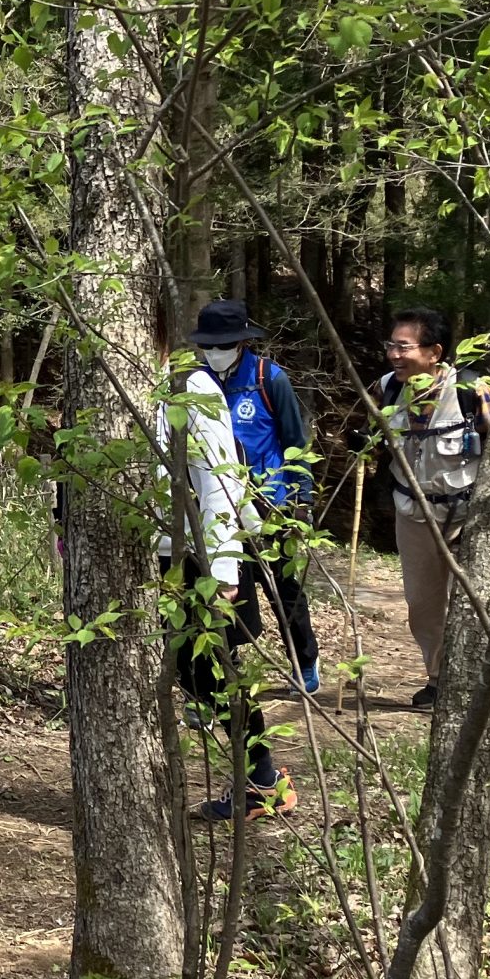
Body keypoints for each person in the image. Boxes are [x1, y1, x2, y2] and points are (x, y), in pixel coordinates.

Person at [162, 323, 295, 821]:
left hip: (200, 556)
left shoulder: (190, 387)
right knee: (191, 672)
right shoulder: (114, 384)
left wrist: (222, 568)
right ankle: (259, 775)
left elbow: (219, 480)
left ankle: (262, 779)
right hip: (159, 554)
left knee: (214, 670)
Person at [187, 299, 321, 696]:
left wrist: (301, 500)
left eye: (223, 344)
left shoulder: (268, 378)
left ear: (242, 342)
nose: (215, 352)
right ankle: (227, 671)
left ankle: (305, 660)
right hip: (218, 505)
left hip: (269, 503)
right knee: (226, 589)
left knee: (283, 588)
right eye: (209, 345)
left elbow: (295, 443)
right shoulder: (195, 384)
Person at [375, 307, 490, 710]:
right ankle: (438, 677)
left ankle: (482, 678)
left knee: (474, 600)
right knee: (423, 603)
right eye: (391, 345)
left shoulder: (471, 390)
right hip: (413, 512)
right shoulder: (386, 390)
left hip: (468, 515)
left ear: (435, 351)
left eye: (403, 346)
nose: (394, 354)